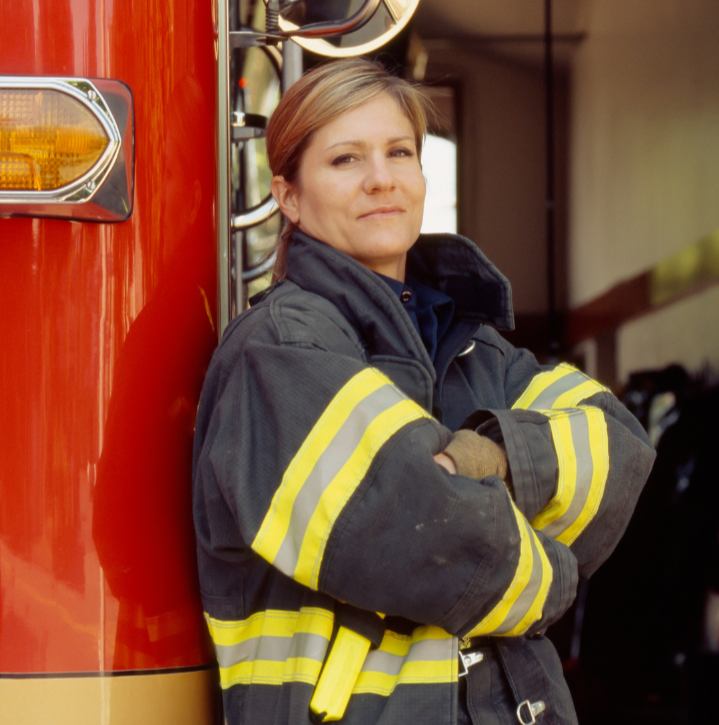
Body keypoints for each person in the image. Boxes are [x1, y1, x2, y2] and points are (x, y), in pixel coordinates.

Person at [192, 58, 654, 725]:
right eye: (346, 159)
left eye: (399, 152)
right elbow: (431, 540)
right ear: (287, 194)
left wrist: (484, 455)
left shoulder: (471, 340)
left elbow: (621, 449)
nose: (382, 178)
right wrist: (557, 577)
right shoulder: (282, 351)